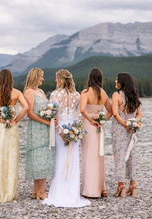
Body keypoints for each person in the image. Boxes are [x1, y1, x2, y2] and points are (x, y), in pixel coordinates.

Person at [43, 69, 90, 207]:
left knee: (60, 159)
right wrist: (75, 131)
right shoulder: (77, 95)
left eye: (57, 78)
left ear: (61, 79)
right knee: (73, 160)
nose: (55, 81)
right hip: (73, 129)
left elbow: (53, 116)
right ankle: (72, 193)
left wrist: (61, 132)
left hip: (61, 131)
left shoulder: (54, 95)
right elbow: (80, 115)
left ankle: (60, 192)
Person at [0, 69, 28, 202]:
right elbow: (25, 108)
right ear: (11, 79)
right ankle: (10, 193)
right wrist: (16, 120)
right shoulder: (17, 93)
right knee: (12, 158)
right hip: (12, 128)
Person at [80, 67, 112, 198]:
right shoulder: (103, 93)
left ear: (90, 77)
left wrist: (91, 120)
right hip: (99, 127)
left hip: (89, 125)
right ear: (100, 78)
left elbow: (82, 110)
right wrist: (102, 120)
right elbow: (111, 111)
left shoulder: (86, 92)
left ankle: (90, 190)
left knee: (88, 156)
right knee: (99, 156)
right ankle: (102, 189)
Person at [24, 68, 56, 200]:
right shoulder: (29, 92)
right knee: (39, 157)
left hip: (46, 127)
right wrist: (46, 122)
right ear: (35, 77)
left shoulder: (41, 91)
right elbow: (30, 113)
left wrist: (52, 117)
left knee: (44, 156)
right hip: (37, 128)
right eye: (41, 76)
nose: (43, 79)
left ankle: (36, 190)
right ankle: (41, 192)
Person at [112, 72, 142, 198]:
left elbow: (115, 113)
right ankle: (133, 184)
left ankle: (121, 186)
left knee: (120, 156)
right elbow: (139, 114)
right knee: (131, 156)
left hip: (119, 130)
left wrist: (125, 125)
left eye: (117, 80)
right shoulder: (134, 95)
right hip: (132, 130)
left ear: (122, 82)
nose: (115, 82)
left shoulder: (116, 95)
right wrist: (133, 124)